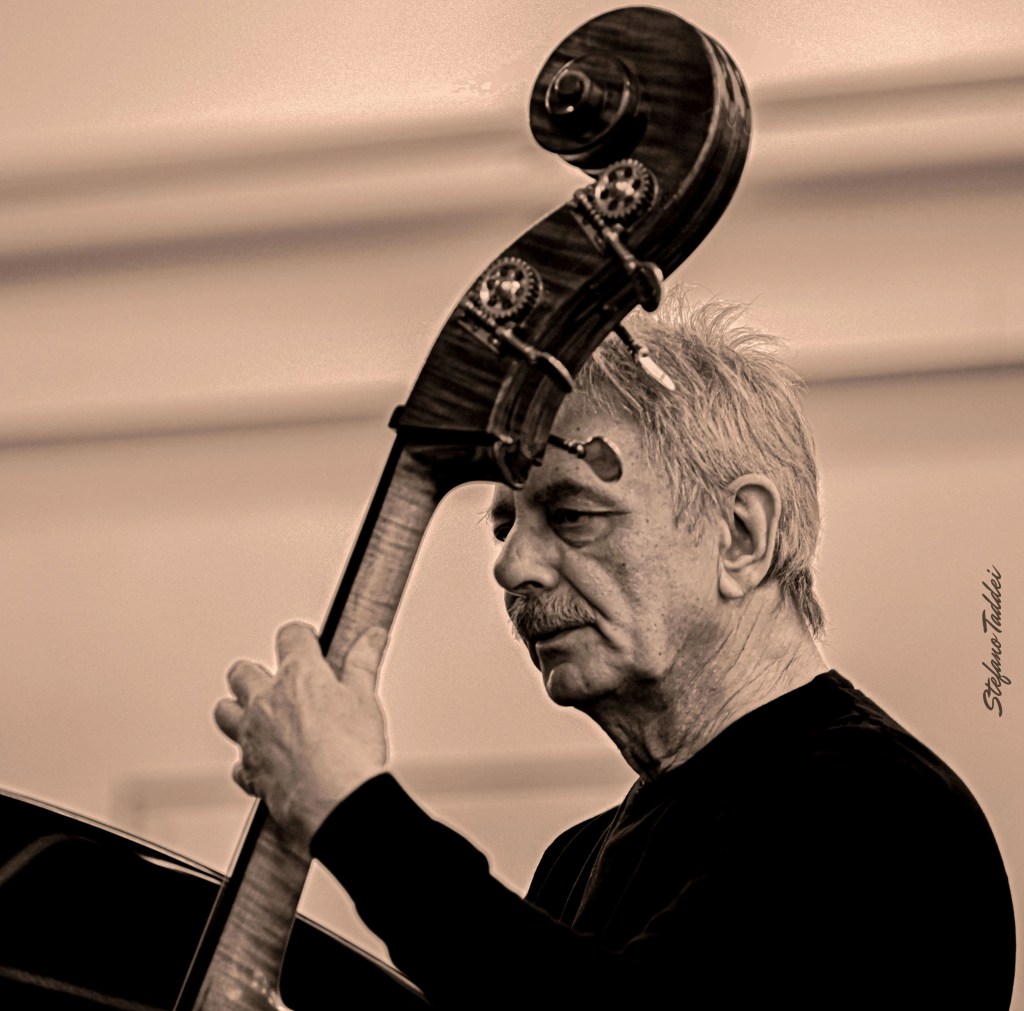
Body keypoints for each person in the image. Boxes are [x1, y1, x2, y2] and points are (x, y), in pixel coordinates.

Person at [215, 293, 1016, 1009]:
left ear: (741, 536)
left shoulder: (880, 809)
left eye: (572, 514)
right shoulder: (577, 859)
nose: (511, 567)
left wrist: (353, 809)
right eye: (505, 524)